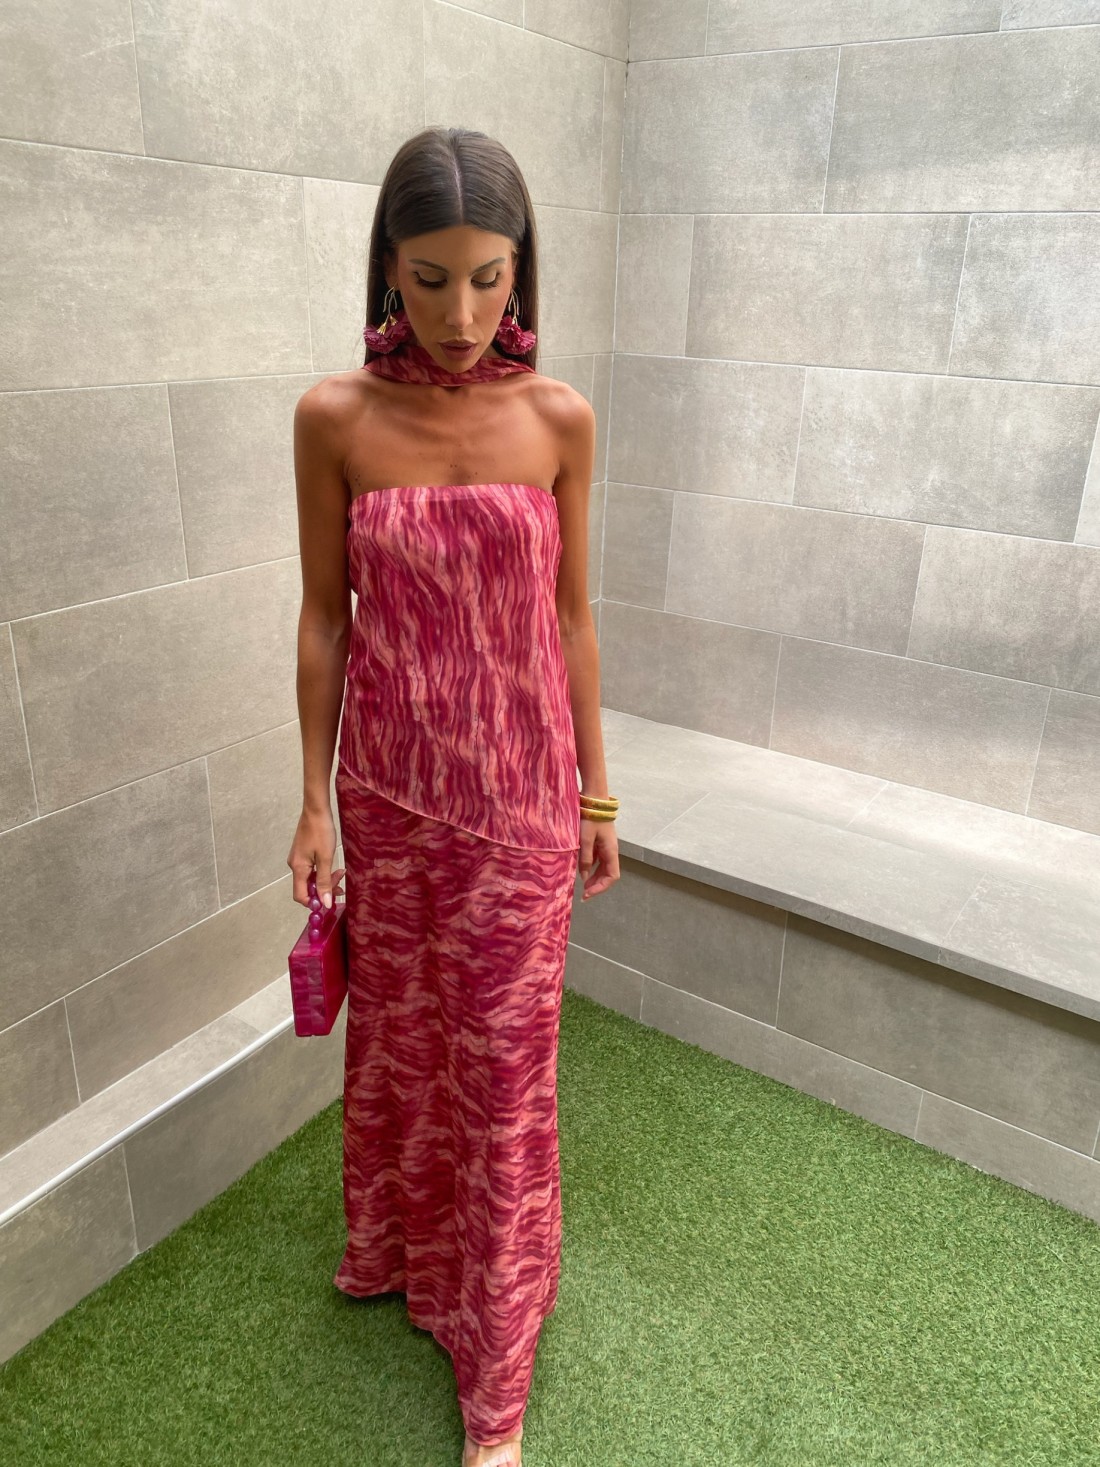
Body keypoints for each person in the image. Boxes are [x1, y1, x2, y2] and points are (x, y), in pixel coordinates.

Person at [286, 126, 621, 1467]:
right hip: (387, 797)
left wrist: (599, 796)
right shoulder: (334, 419)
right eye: (430, 279)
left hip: (523, 806)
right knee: (403, 1049)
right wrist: (314, 801)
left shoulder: (558, 419)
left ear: (521, 269)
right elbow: (325, 620)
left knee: (504, 1076)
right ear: (388, 266)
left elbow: (575, 619)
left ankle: (498, 1371)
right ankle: (400, 1258)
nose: (462, 313)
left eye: (489, 278)